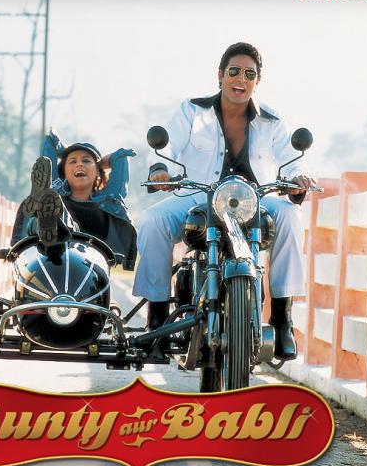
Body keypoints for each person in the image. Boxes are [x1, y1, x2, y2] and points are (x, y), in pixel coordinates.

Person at [133, 41, 318, 361]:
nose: (241, 79)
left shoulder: (273, 120)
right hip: (198, 195)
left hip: (255, 199)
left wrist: (298, 178)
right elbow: (168, 146)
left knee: (290, 215)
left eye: (249, 74)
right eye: (234, 71)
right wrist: (161, 168)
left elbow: (292, 160)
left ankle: (282, 319)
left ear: (257, 81)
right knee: (152, 220)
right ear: (220, 75)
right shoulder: (191, 110)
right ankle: (157, 319)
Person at [12, 132, 138, 270]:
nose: (79, 164)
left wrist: (100, 163)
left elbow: (120, 158)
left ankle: (54, 224)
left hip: (90, 267)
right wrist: (68, 153)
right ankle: (48, 224)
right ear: (64, 171)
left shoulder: (110, 198)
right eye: (73, 161)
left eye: (86, 161)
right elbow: (50, 141)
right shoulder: (54, 192)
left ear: (97, 171)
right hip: (51, 255)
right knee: (48, 205)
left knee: (55, 209)